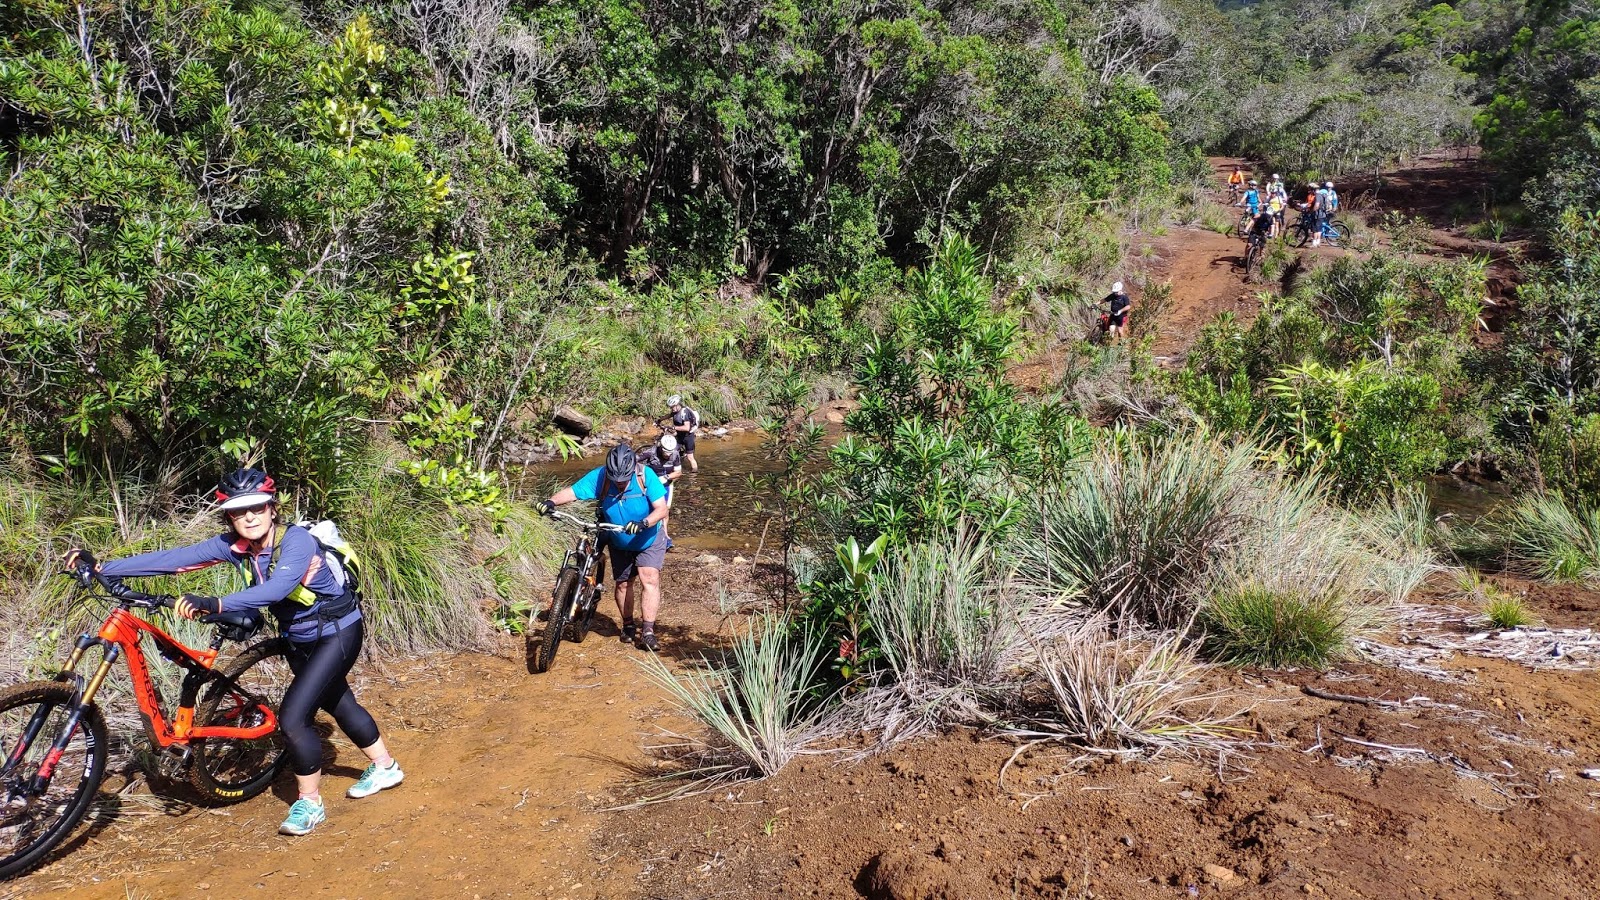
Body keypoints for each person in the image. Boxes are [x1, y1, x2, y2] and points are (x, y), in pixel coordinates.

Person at [64, 469, 401, 837]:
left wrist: (214, 602)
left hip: (338, 633)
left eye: (257, 508)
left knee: (292, 718)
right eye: (240, 512)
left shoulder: (297, 542)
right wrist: (102, 567)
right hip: (298, 636)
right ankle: (385, 767)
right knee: (337, 700)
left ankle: (310, 803)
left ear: (273, 508)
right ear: (230, 516)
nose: (250, 517)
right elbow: (175, 559)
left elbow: (277, 589)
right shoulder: (235, 545)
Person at [539, 444, 670, 651]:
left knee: (649, 578)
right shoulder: (601, 477)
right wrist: (551, 501)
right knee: (623, 584)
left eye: (623, 479)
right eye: (616, 479)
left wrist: (644, 523)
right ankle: (628, 625)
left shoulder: (646, 476)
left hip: (648, 538)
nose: (619, 483)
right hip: (618, 538)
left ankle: (648, 631)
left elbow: (661, 509)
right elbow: (573, 492)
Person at [641, 433, 683, 548]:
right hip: (649, 484)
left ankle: (665, 534)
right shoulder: (650, 452)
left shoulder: (675, 454)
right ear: (661, 448)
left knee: (665, 510)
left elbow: (678, 472)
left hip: (666, 484)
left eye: (670, 453)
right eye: (665, 453)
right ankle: (648, 532)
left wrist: (666, 478)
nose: (667, 456)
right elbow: (634, 461)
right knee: (649, 508)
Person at [659, 395, 700, 473]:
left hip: (688, 437)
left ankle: (694, 474)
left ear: (678, 405)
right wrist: (659, 420)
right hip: (680, 436)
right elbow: (669, 415)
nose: (671, 409)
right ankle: (673, 467)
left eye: (672, 407)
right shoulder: (675, 411)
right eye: (670, 407)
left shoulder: (684, 413)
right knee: (671, 450)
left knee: (690, 457)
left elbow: (687, 428)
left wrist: (674, 428)